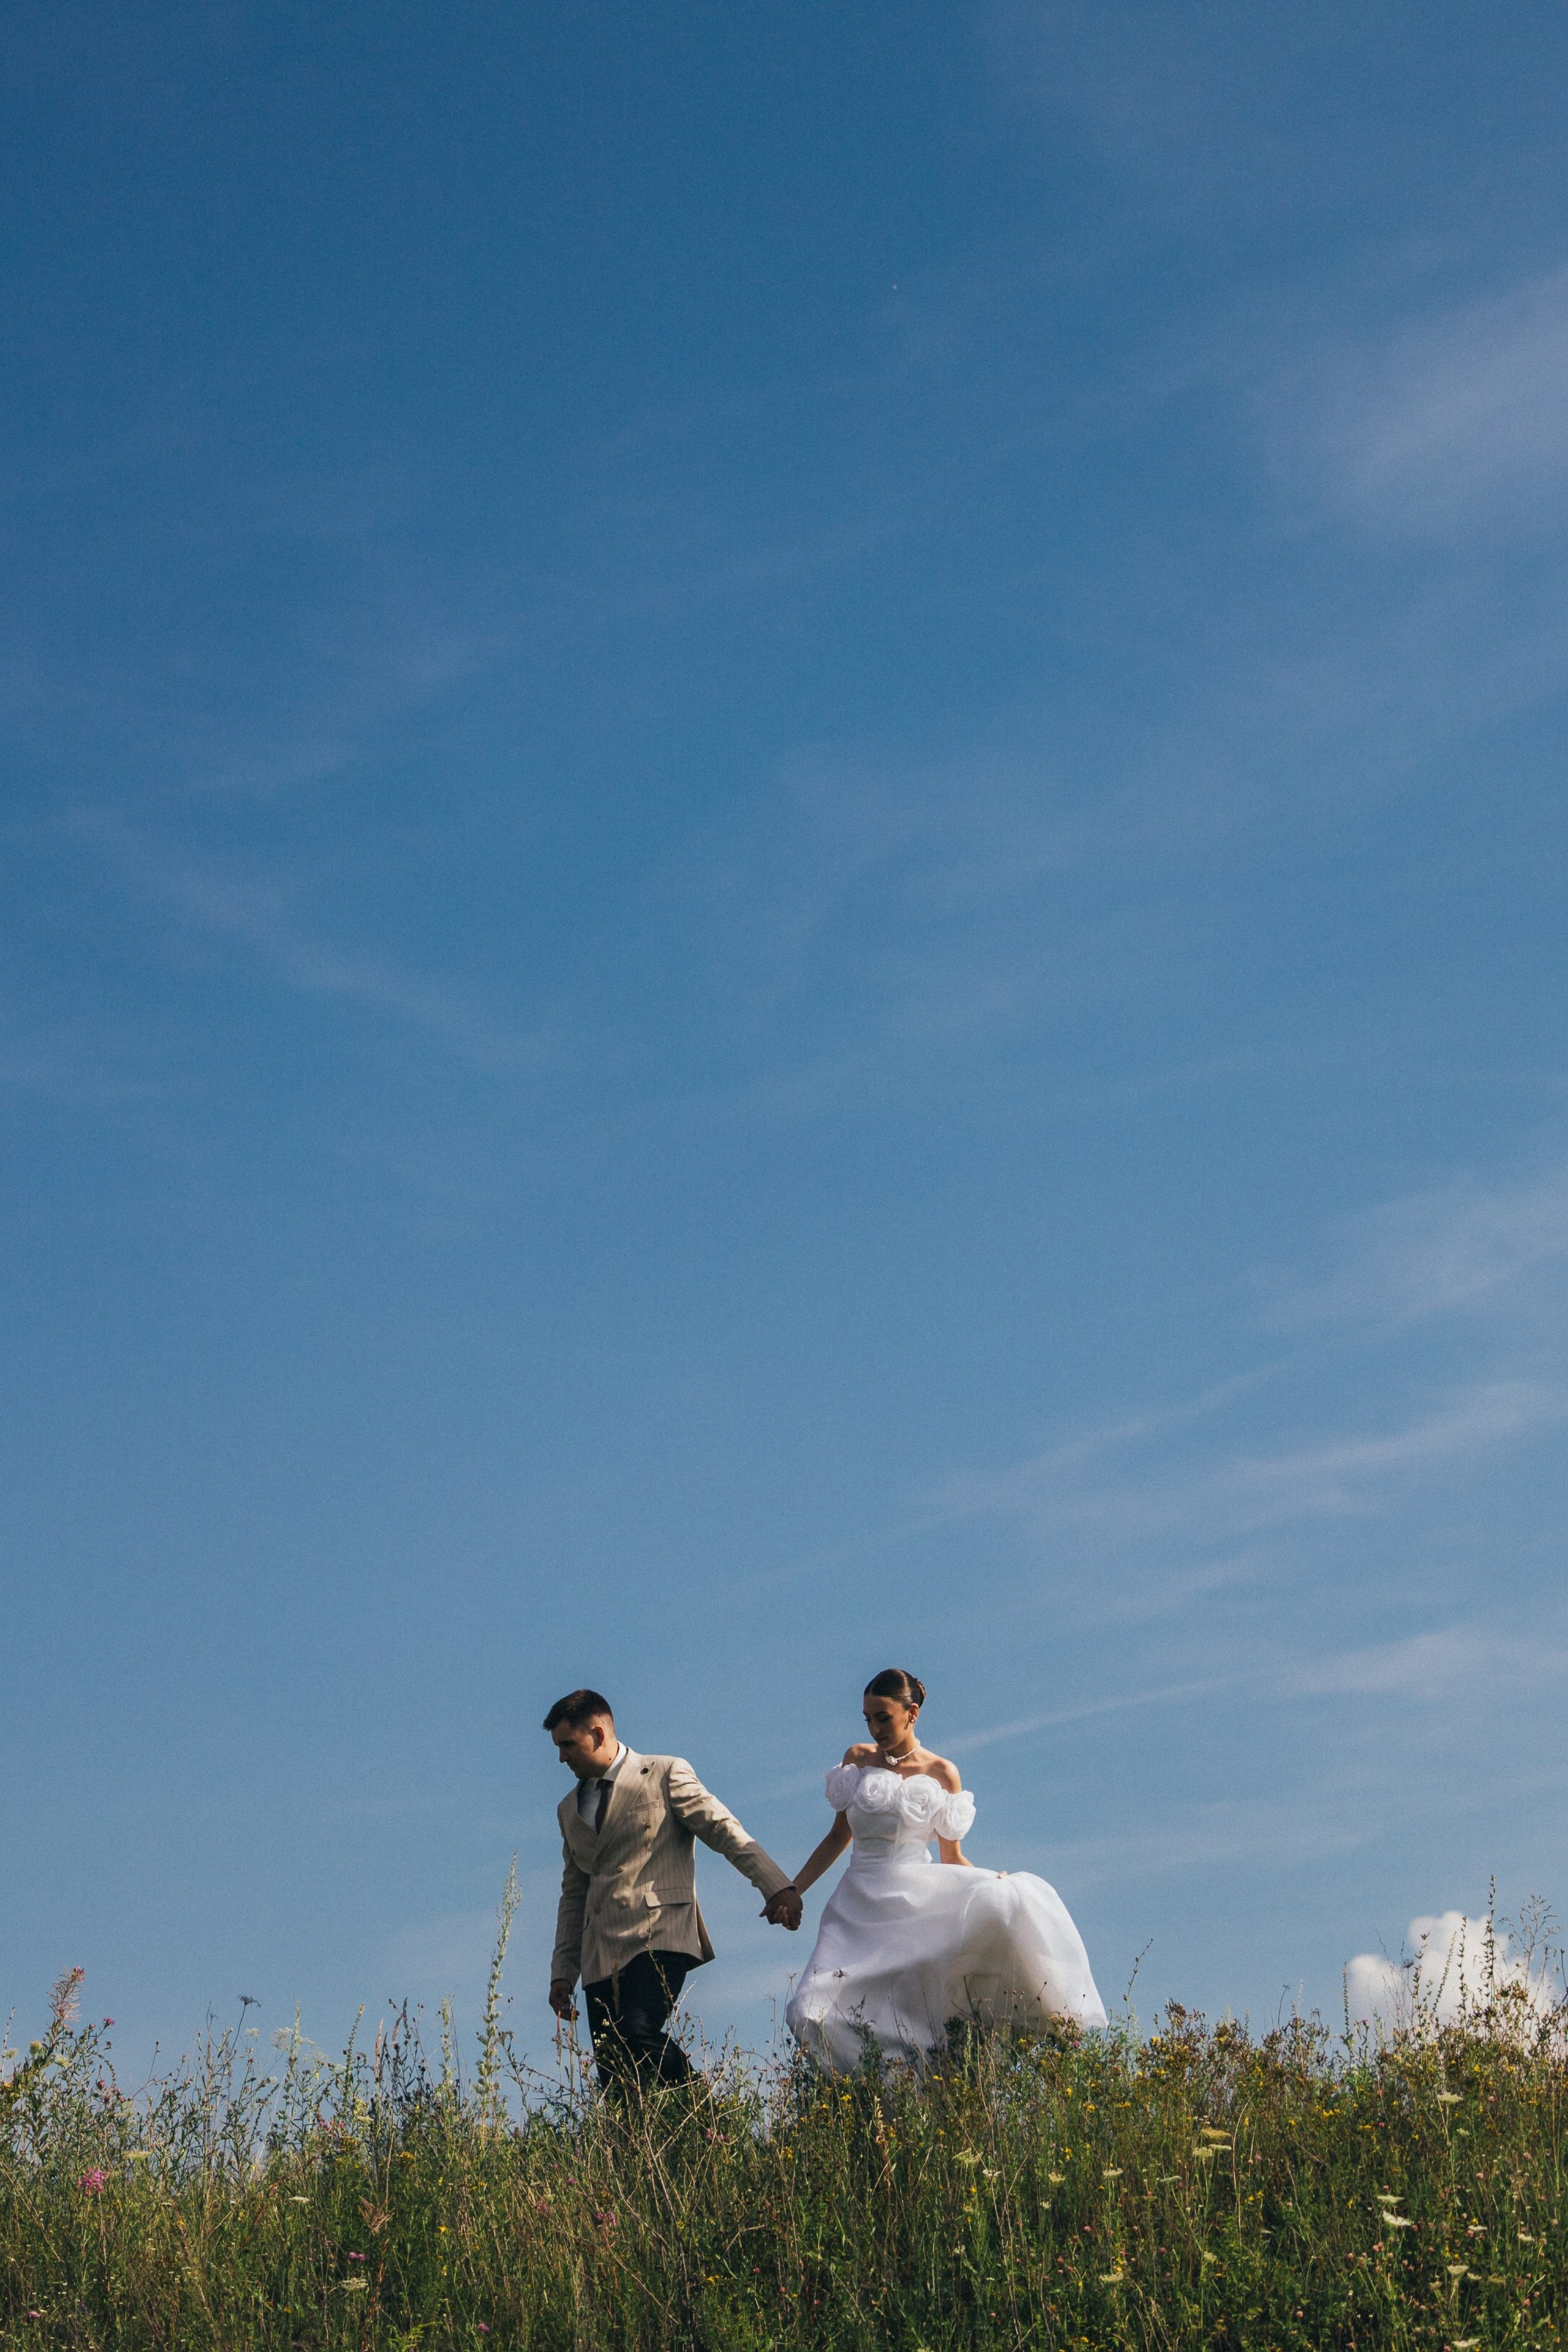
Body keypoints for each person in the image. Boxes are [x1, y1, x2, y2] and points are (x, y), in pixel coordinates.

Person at [783, 1668, 1106, 2071]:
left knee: (906, 2019)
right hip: (855, 1906)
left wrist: (992, 1883)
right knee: (810, 2007)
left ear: (911, 1713)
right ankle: (854, 2094)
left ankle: (895, 2104)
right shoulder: (857, 1760)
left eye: (882, 1717)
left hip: (913, 1905)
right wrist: (793, 1890)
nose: (874, 1727)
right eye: (867, 1718)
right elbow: (837, 1837)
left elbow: (952, 1858)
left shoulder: (942, 1773)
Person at [545, 1689, 803, 2090]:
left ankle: (707, 2114)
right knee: (616, 2072)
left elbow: (722, 1829)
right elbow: (573, 1894)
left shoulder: (664, 1773)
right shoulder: (567, 1810)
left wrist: (776, 1886)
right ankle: (652, 2148)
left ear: (597, 1733)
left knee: (638, 2030)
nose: (562, 1757)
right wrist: (563, 1972)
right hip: (599, 1954)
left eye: (568, 1745)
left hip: (659, 1932)